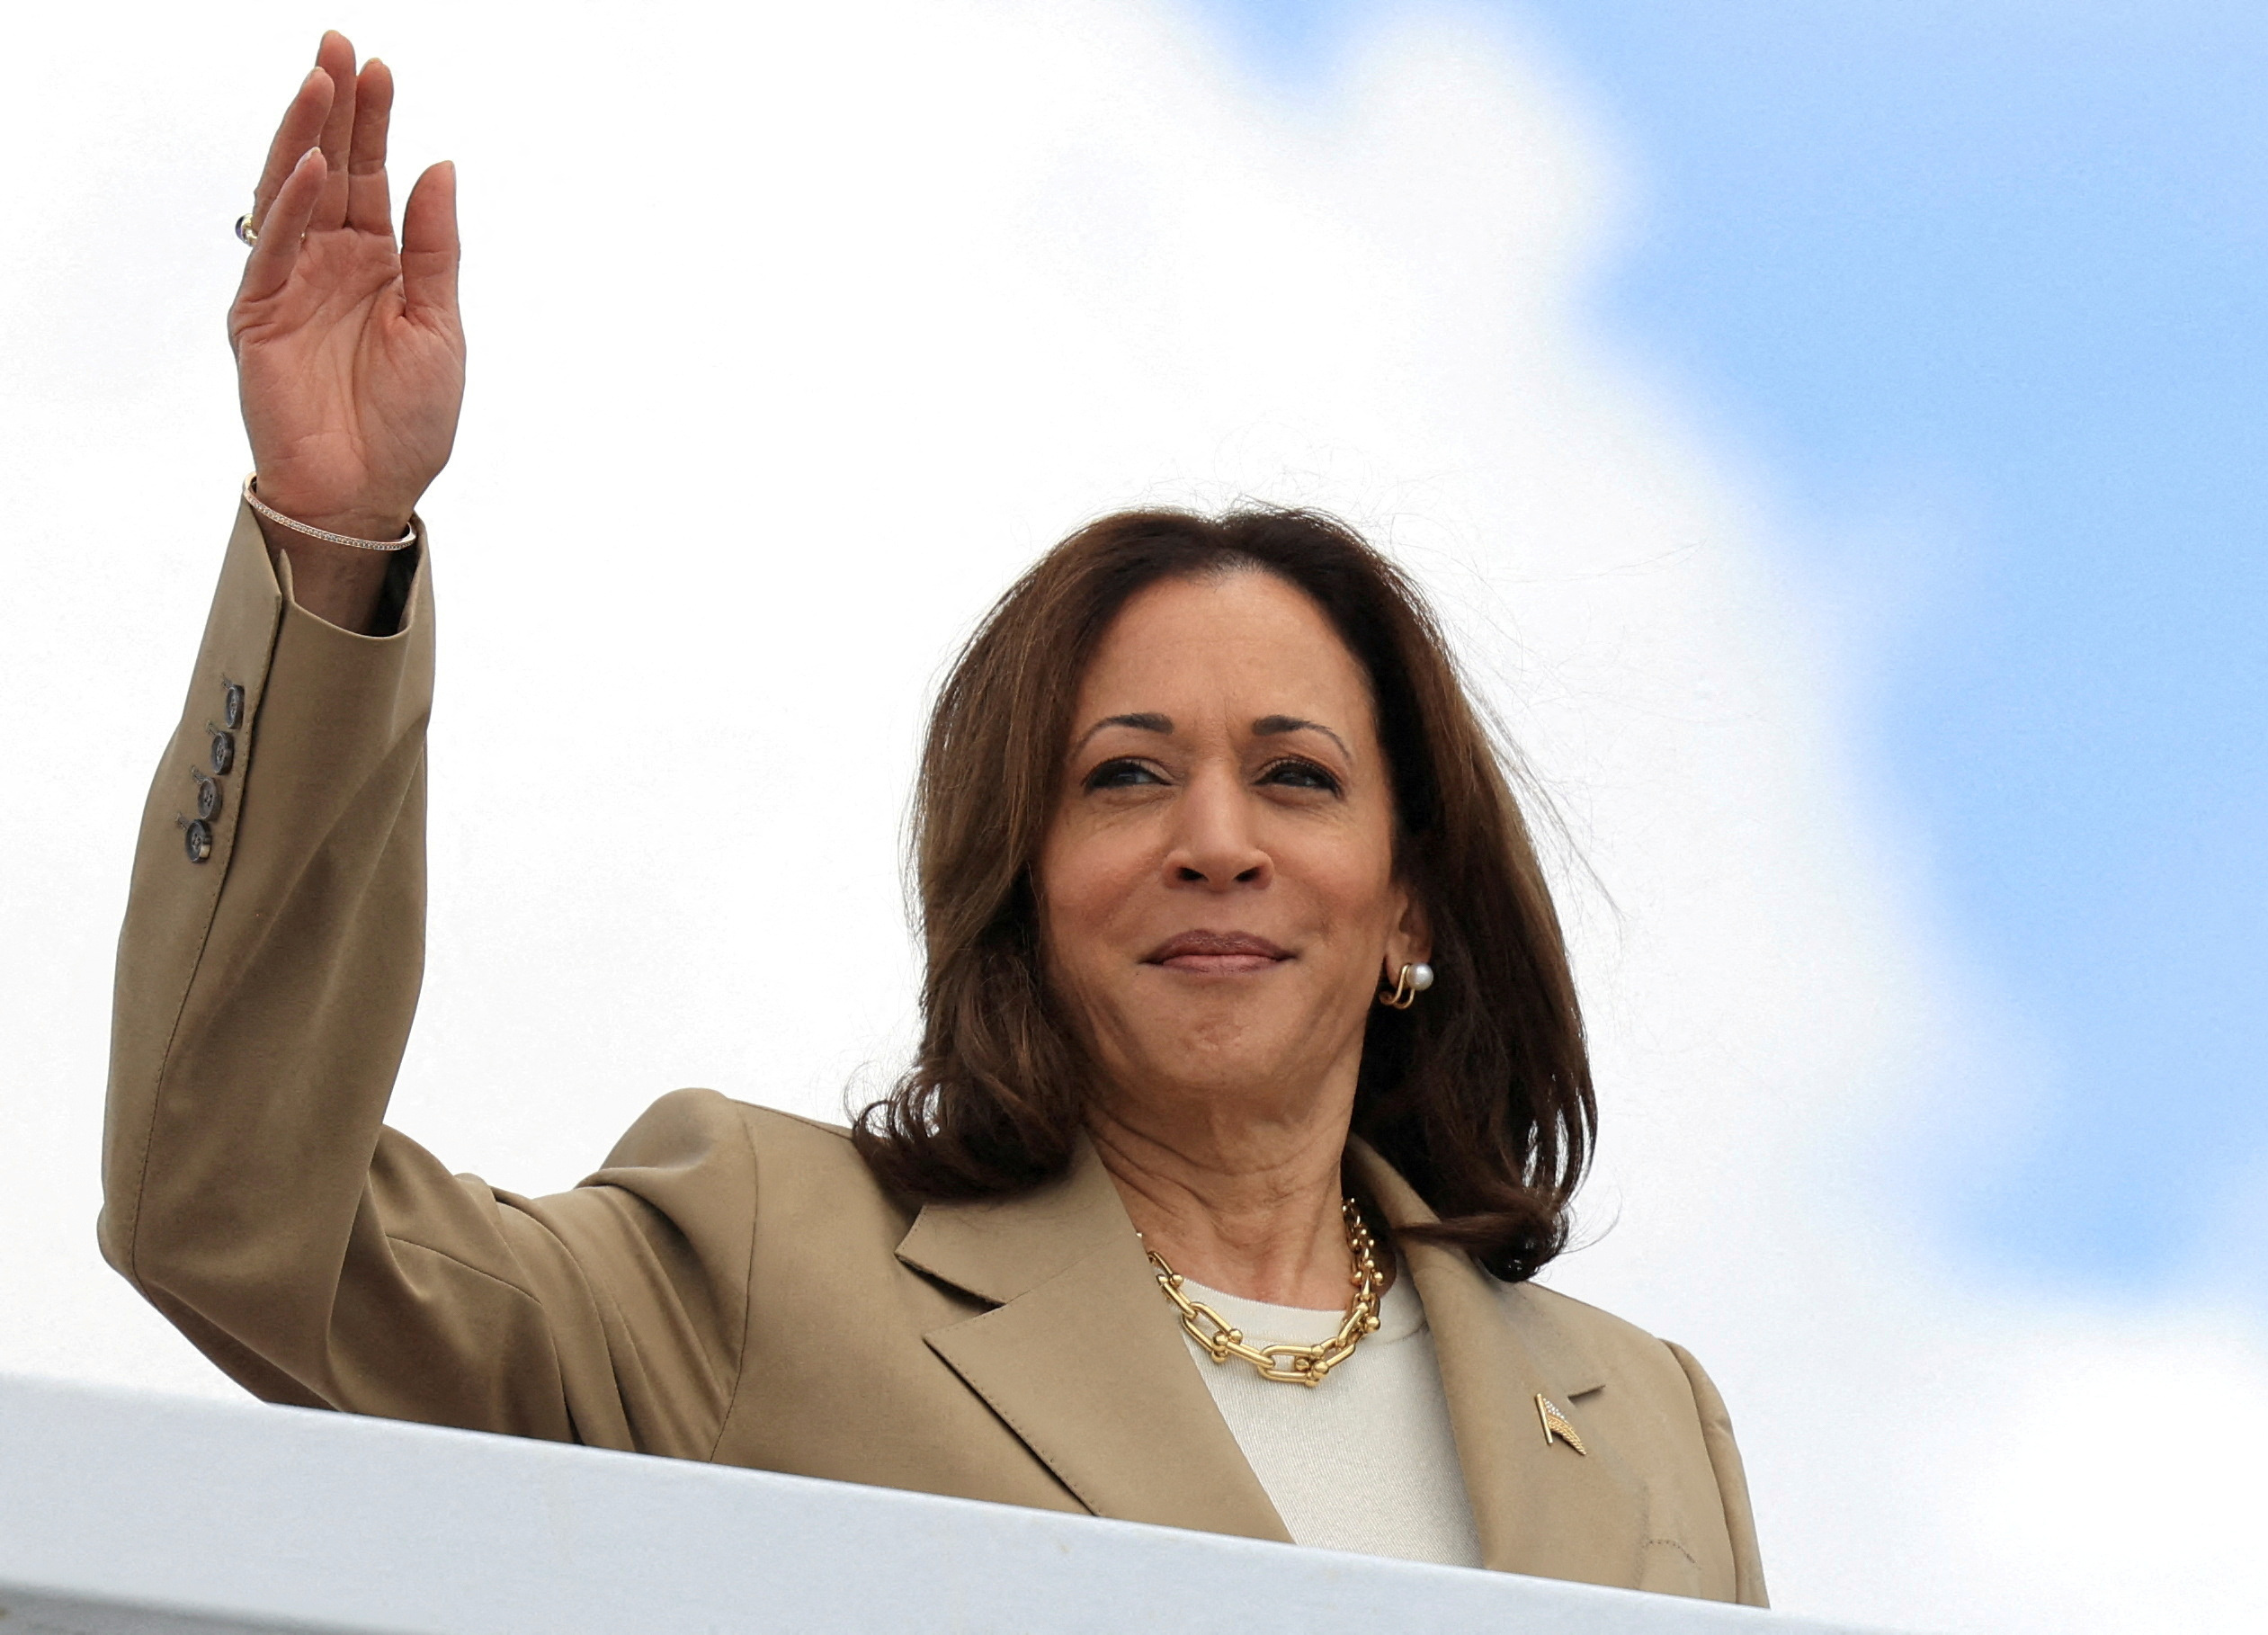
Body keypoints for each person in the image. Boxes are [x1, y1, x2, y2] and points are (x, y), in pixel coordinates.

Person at [103, 31, 1764, 1603]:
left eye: (1297, 775)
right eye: (1123, 776)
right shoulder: (768, 1269)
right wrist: (334, 539)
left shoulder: (1647, 1423)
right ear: (1022, 883)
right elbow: (232, 1223)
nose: (1216, 839)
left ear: (1410, 900)